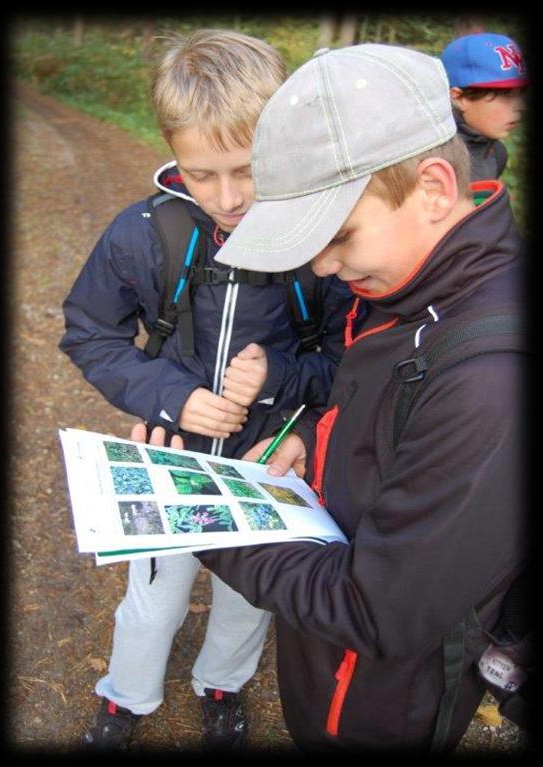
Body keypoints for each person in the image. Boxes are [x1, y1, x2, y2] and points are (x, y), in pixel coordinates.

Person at [180, 43, 525, 753]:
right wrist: (319, 426)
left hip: (380, 699)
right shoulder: (409, 278)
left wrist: (208, 525)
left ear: (433, 187)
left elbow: (379, 612)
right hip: (327, 651)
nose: (322, 265)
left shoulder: (489, 380)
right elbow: (374, 391)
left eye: (336, 235)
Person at [59, 30, 356, 751]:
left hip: (268, 462)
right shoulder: (142, 234)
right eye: (202, 174)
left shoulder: (320, 241)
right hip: (173, 457)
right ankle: (125, 696)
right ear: (171, 153)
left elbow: (347, 358)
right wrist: (168, 395)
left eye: (247, 170)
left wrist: (283, 386)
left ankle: (222, 685)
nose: (228, 197)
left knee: (249, 596)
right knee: (153, 597)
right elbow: (89, 331)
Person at [441, 32, 527, 181]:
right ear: (459, 97)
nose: (521, 106)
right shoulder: (429, 161)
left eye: (521, 93)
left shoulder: (496, 153)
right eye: (505, 94)